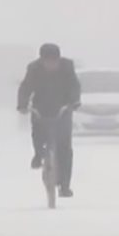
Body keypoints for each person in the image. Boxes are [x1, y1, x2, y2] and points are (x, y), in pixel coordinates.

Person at [17, 43, 81, 198]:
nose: (51, 65)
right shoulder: (34, 69)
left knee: (65, 147)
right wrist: (22, 104)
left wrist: (74, 101)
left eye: (54, 61)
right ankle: (38, 154)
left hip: (62, 108)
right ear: (42, 60)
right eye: (48, 61)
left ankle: (64, 186)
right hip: (41, 107)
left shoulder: (67, 67)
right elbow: (25, 87)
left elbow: (74, 85)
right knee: (37, 132)